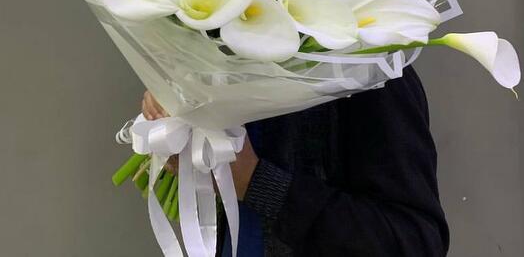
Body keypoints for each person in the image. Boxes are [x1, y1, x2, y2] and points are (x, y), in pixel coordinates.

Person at [142, 65, 449, 256]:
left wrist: (256, 182)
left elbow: (416, 243)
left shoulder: (371, 75)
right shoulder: (232, 65)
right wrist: (185, 141)